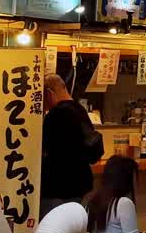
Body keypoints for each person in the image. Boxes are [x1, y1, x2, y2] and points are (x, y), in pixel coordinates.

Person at [40, 74, 102, 218]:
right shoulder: (80, 111)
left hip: (57, 190)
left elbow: (45, 150)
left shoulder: (55, 115)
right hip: (81, 186)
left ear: (49, 93)